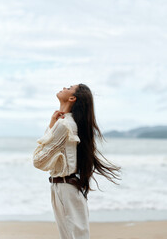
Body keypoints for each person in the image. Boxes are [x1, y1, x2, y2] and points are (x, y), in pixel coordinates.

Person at [33, 83, 121, 239]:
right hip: (64, 186)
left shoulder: (65, 125)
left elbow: (39, 161)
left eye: (68, 87)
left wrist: (52, 126)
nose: (63, 87)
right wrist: (52, 124)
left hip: (66, 188)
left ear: (72, 98)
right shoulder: (67, 124)